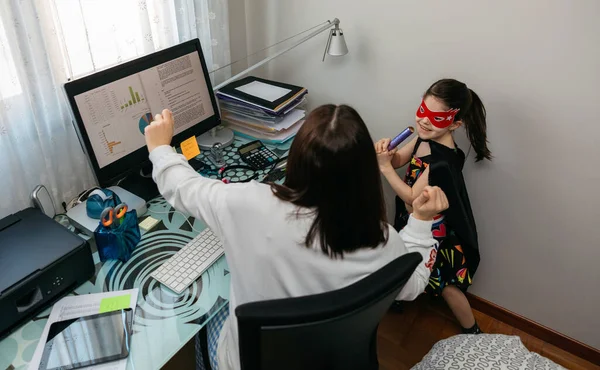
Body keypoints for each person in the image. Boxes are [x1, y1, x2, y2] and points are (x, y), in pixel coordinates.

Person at [145, 105, 449, 370]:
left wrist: (160, 147)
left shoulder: (247, 203)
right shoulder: (382, 238)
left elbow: (182, 188)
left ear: (297, 159)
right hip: (335, 360)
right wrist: (421, 222)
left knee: (207, 313)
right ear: (363, 173)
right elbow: (412, 286)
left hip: (251, 363)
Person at [375, 79, 491, 334]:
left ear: (455, 123)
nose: (424, 121)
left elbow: (411, 198)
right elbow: (398, 161)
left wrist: (383, 167)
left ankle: (472, 330)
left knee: (448, 283)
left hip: (433, 229)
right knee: (401, 256)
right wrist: (388, 154)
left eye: (436, 118)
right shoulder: (421, 137)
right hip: (414, 220)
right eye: (423, 112)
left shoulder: (443, 161)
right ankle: (396, 297)